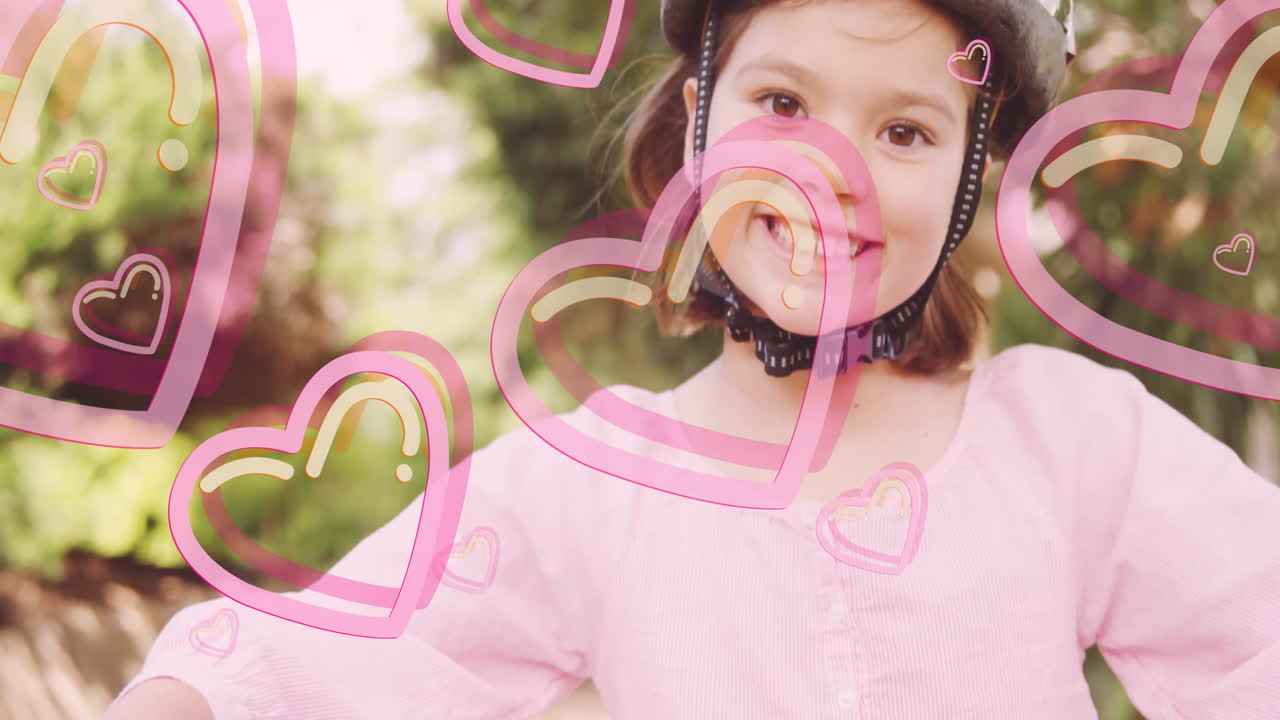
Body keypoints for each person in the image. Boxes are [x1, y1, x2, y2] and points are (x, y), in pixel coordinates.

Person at [107, 0, 1280, 718]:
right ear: (696, 127)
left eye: (904, 130)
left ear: (967, 180)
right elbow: (318, 658)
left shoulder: (1071, 442)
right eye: (782, 103)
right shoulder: (593, 481)